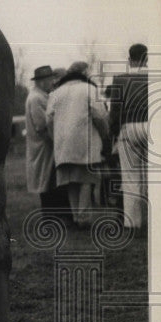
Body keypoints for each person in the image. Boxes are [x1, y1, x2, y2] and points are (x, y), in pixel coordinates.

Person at [45, 61, 110, 229]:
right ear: (84, 73)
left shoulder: (56, 93)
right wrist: (105, 136)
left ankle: (76, 216)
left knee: (71, 181)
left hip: (63, 146)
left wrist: (56, 138)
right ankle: (84, 218)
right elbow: (100, 116)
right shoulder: (89, 89)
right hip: (85, 142)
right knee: (87, 180)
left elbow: (49, 119)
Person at [108, 43, 149, 234]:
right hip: (153, 126)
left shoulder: (120, 79)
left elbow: (114, 112)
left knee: (131, 178)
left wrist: (113, 135)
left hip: (128, 128)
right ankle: (155, 220)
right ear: (147, 58)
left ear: (129, 59)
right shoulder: (157, 77)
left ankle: (132, 224)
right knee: (153, 178)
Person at [25, 65, 60, 211]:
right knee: (45, 181)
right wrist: (56, 140)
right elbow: (41, 125)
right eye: (50, 79)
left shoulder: (41, 96)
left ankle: (52, 214)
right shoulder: (36, 98)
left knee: (48, 181)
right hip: (43, 146)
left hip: (44, 146)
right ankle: (49, 216)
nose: (52, 83)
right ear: (41, 82)